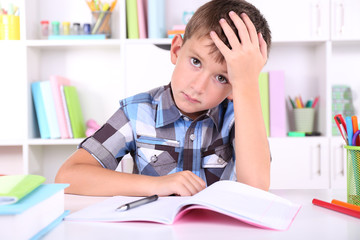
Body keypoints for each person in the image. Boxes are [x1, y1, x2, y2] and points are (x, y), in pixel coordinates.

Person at [55, 0, 272, 197]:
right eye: (196, 61)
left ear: (236, 87)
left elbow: (256, 187)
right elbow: (67, 177)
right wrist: (156, 185)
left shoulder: (238, 117)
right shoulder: (137, 112)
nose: (198, 87)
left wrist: (247, 83)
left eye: (221, 77)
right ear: (176, 50)